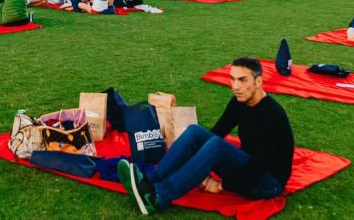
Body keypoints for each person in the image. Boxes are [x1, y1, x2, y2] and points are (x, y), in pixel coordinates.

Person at [118, 57, 292, 214]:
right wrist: (197, 168)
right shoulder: (239, 101)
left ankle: (159, 197)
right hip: (245, 166)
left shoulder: (273, 116)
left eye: (243, 80)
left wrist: (220, 185)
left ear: (259, 81)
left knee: (216, 145)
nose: (235, 86)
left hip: (268, 183)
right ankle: (150, 181)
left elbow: (258, 167)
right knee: (195, 132)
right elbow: (215, 133)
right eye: (232, 79)